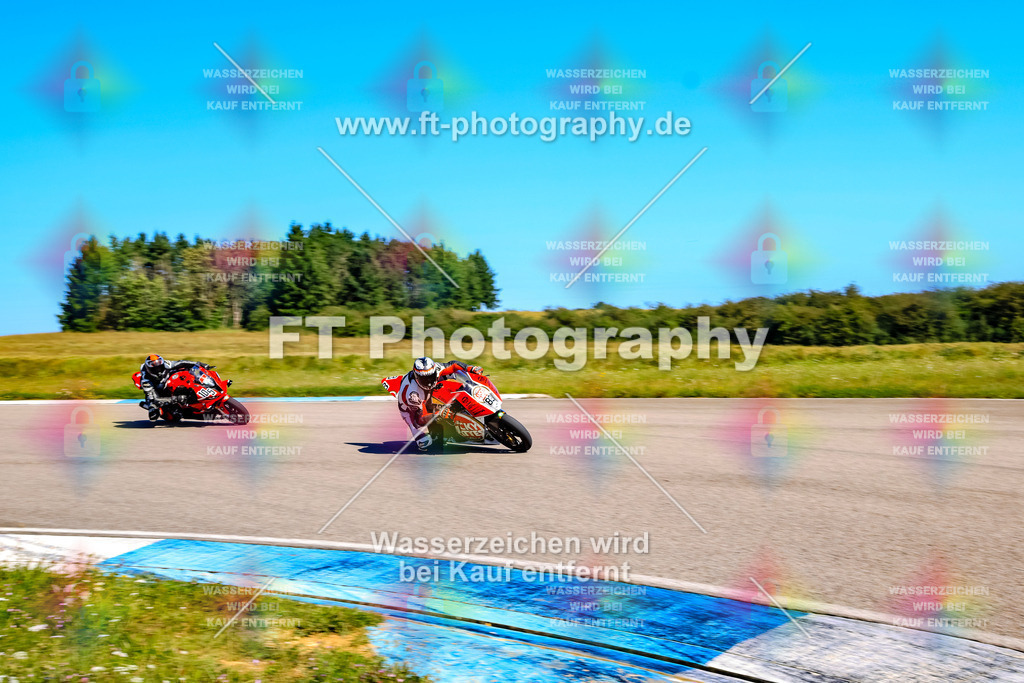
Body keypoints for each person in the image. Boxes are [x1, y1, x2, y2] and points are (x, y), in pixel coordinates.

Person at [396, 356, 483, 450]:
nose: (429, 382)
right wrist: (438, 413)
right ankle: (440, 434)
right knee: (426, 444)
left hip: (425, 392)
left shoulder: (435, 368)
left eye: (431, 377)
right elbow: (420, 420)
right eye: (425, 379)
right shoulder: (412, 395)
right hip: (410, 410)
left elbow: (453, 365)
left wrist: (470, 368)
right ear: (417, 377)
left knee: (453, 380)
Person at [138, 354, 210, 421]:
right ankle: (154, 410)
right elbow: (154, 399)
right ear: (150, 369)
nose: (159, 370)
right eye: (156, 369)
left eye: (160, 367)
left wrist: (199, 364)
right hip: (158, 392)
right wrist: (175, 399)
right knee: (155, 412)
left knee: (184, 370)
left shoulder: (167, 364)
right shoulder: (146, 380)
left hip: (168, 382)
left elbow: (182, 362)